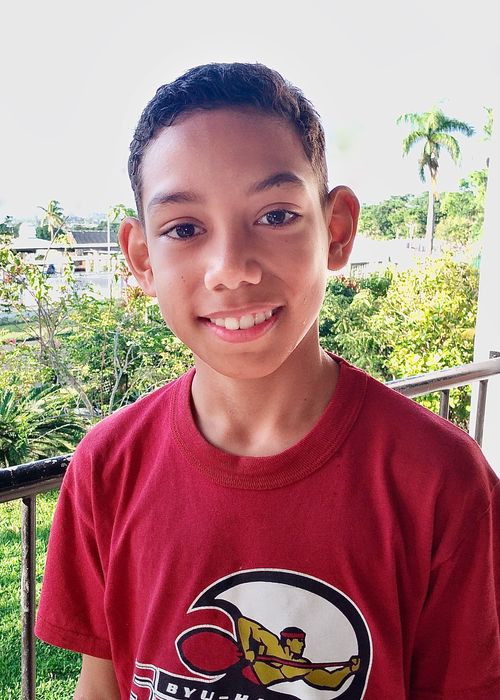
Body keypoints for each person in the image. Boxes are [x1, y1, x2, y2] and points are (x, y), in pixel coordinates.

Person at [35, 63, 500, 700]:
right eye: (185, 229)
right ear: (142, 259)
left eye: (275, 216)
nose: (231, 269)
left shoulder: (441, 480)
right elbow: (102, 686)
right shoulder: (108, 469)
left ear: (336, 231)